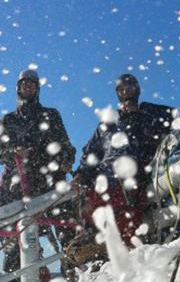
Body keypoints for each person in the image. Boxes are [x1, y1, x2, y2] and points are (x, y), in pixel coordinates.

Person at [0, 69, 77, 281]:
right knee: (13, 243)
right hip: (19, 188)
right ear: (18, 88)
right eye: (24, 84)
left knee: (69, 232)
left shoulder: (51, 115)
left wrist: (67, 160)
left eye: (31, 84)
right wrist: (13, 152)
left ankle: (75, 277)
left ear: (37, 89)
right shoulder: (8, 120)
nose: (27, 87)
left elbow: (66, 145)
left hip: (51, 184)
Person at [73, 73, 173, 248]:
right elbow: (91, 151)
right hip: (102, 181)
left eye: (129, 86)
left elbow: (172, 123)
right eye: (120, 88)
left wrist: (142, 119)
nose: (125, 91)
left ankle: (123, 250)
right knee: (86, 213)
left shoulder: (151, 113)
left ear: (137, 89)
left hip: (131, 179)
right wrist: (81, 172)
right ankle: (89, 249)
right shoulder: (108, 123)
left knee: (124, 222)